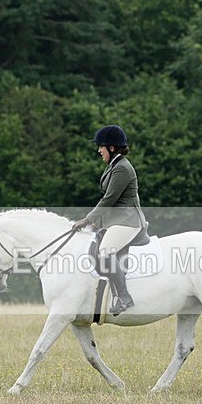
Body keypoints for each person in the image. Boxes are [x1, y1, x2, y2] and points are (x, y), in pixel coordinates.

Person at [72, 125, 147, 315]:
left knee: (105, 251)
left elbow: (109, 199)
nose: (99, 150)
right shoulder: (114, 166)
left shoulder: (122, 168)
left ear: (112, 147)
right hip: (119, 220)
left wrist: (88, 220)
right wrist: (100, 222)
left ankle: (124, 297)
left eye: (101, 147)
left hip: (129, 221)